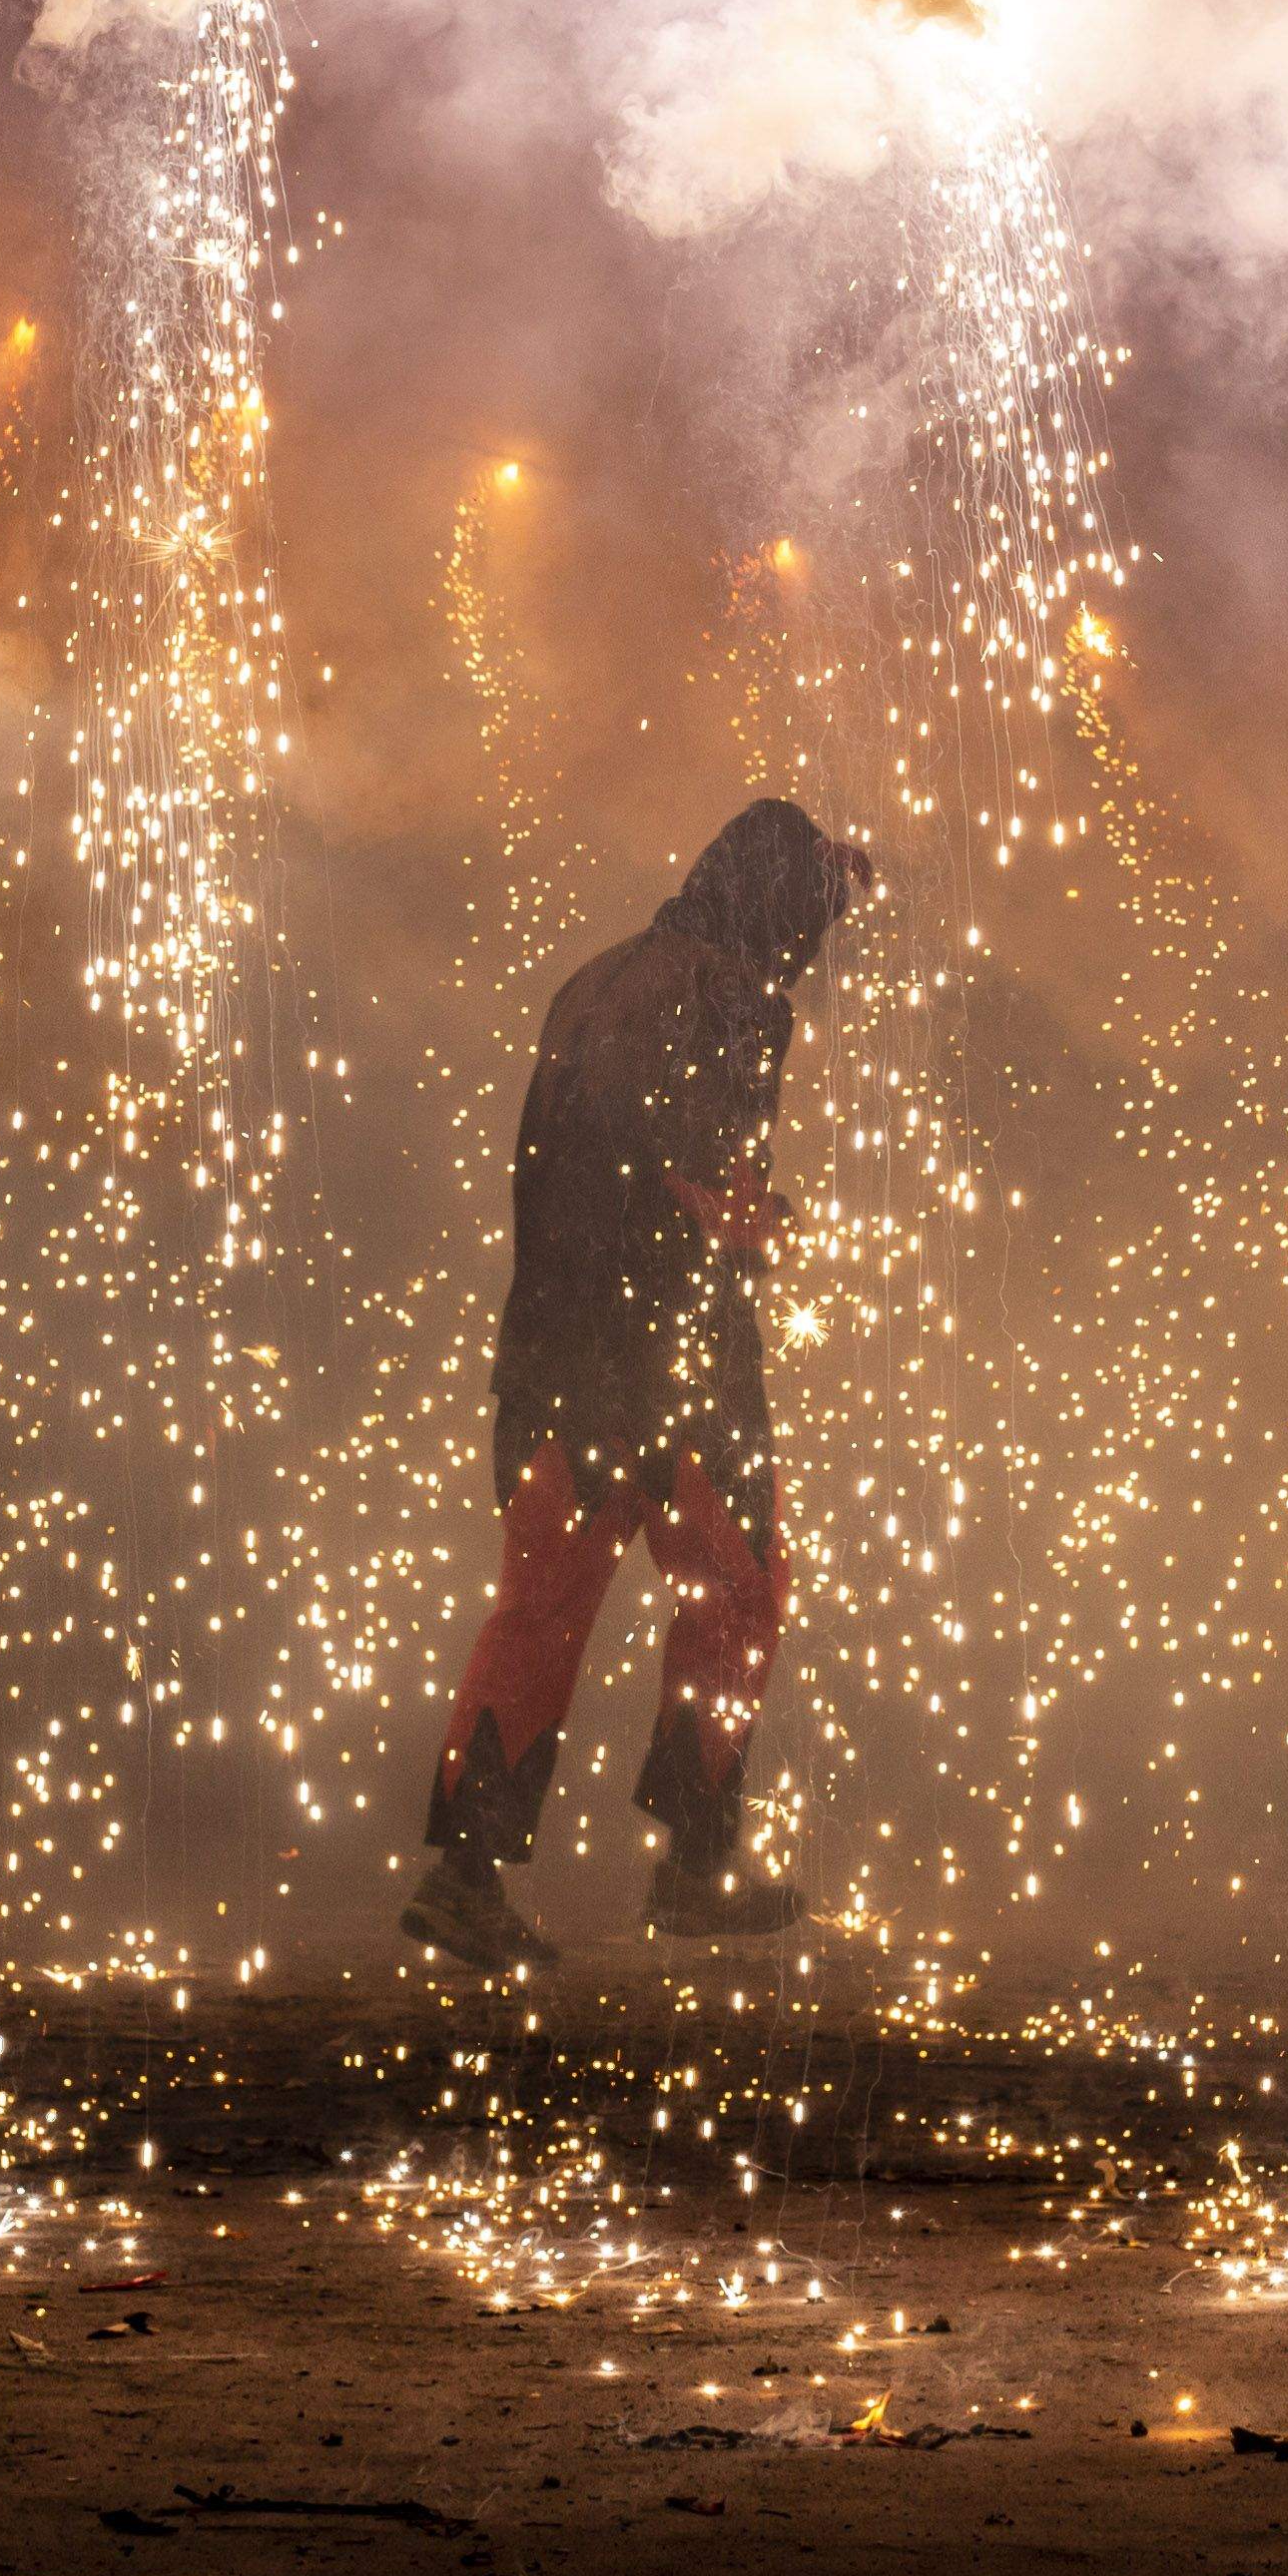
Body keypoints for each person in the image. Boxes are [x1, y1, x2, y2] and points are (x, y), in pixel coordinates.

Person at [403, 797, 864, 1970]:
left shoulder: (598, 976)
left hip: (556, 1350)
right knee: (742, 1589)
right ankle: (699, 1865)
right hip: (676, 1360)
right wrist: (757, 1222)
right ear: (776, 907)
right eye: (815, 915)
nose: (815, 947)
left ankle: (462, 1877)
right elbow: (703, 1173)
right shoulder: (736, 995)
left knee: (544, 1606)